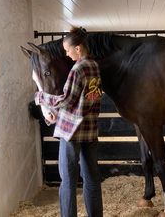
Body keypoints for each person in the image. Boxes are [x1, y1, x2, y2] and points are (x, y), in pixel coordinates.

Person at [33, 26, 103, 217]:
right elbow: (92, 98)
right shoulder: (94, 66)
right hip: (90, 130)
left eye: (67, 50)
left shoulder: (78, 69)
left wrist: (41, 97)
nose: (67, 53)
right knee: (91, 179)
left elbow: (66, 100)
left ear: (78, 48)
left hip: (71, 132)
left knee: (68, 181)